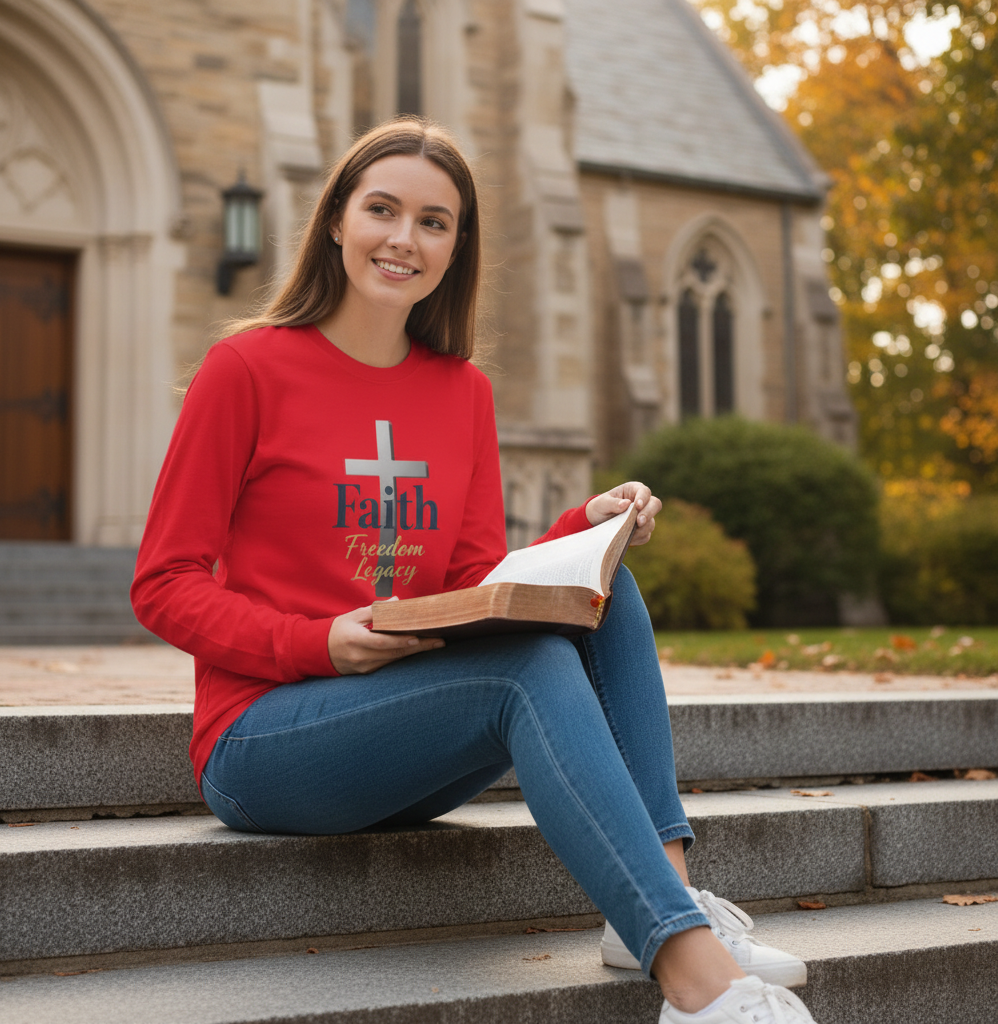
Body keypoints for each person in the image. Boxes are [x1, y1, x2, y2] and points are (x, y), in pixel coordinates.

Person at [132, 117, 818, 1024]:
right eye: (382, 210)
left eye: (434, 222)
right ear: (336, 220)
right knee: (524, 670)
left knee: (606, 593)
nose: (403, 239)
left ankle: (666, 898)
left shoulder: (463, 393)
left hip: (407, 726)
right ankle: (700, 986)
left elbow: (472, 583)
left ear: (457, 247)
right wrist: (314, 643)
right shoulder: (246, 368)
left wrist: (583, 531)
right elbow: (163, 583)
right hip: (264, 739)